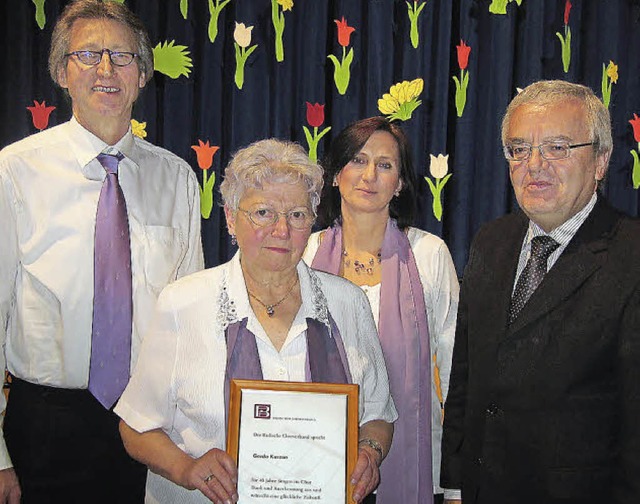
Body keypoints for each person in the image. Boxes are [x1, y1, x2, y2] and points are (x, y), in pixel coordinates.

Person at [115, 138, 397, 504]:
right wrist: (186, 468)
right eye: (263, 212)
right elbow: (136, 427)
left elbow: (378, 414)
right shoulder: (184, 303)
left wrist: (370, 452)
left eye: (297, 215)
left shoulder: (347, 303)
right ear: (231, 218)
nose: (282, 230)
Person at [0, 1, 204, 502]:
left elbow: (190, 324)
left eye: (123, 56)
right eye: (89, 54)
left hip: (150, 425)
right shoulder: (15, 172)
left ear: (142, 75)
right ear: (62, 73)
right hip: (45, 427)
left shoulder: (176, 178)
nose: (107, 70)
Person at [440, 80, 640, 504]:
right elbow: (467, 378)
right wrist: (456, 485)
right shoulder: (491, 241)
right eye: (518, 149)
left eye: (557, 148)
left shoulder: (631, 256)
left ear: (601, 161)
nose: (534, 165)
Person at [303, 116, 459, 504]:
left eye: (385, 165)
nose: (369, 174)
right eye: (358, 160)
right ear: (335, 175)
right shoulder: (303, 252)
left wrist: (458, 485)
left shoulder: (429, 255)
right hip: (312, 460)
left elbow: (457, 371)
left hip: (417, 460)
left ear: (400, 183)